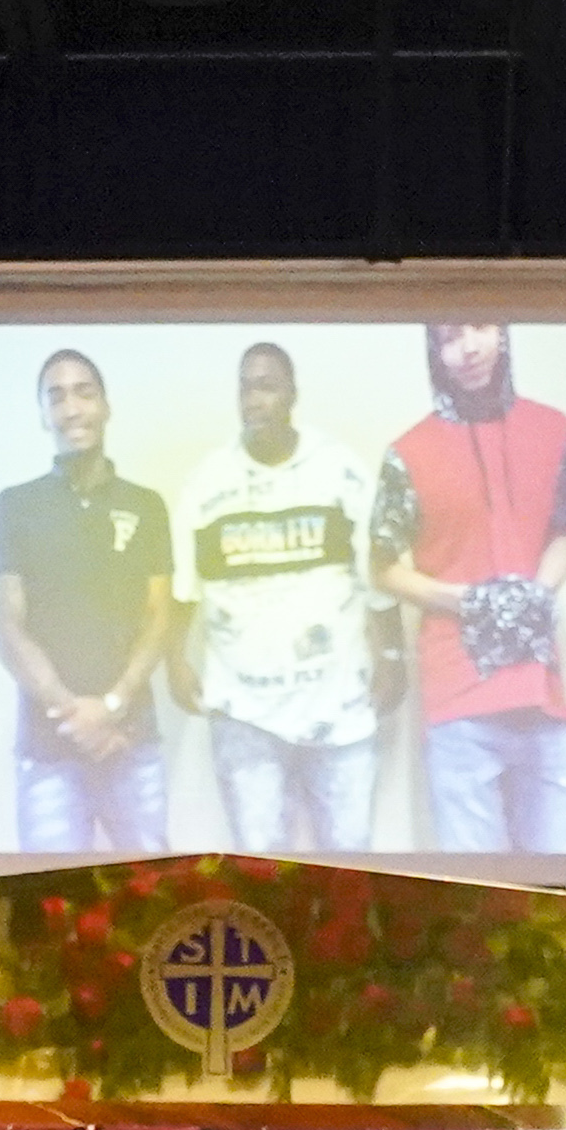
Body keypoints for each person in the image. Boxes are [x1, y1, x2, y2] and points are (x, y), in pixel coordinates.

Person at [371, 318, 566, 858]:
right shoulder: (408, 451)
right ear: (434, 351)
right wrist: (468, 601)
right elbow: (382, 568)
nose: (467, 348)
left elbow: (561, 533)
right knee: (480, 900)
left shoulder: (553, 428)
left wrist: (533, 593)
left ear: (504, 333)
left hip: (542, 695)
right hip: (458, 702)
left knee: (561, 892)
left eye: (479, 328)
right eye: (448, 336)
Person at [166, 338, 383, 856]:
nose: (253, 399)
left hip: (339, 703)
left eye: (266, 386)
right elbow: (182, 591)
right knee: (259, 869)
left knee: (352, 868)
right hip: (245, 711)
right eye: (245, 387)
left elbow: (377, 575)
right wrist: (174, 659)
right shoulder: (206, 485)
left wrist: (393, 654)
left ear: (292, 394)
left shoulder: (343, 471)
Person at [0, 343, 172, 857]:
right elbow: (7, 627)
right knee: (49, 920)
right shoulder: (15, 506)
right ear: (44, 414)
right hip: (48, 752)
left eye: (84, 393)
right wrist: (75, 715)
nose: (71, 408)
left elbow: (160, 618)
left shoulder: (146, 506)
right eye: (57, 396)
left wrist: (111, 707)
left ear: (105, 405)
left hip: (132, 741)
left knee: (156, 909)